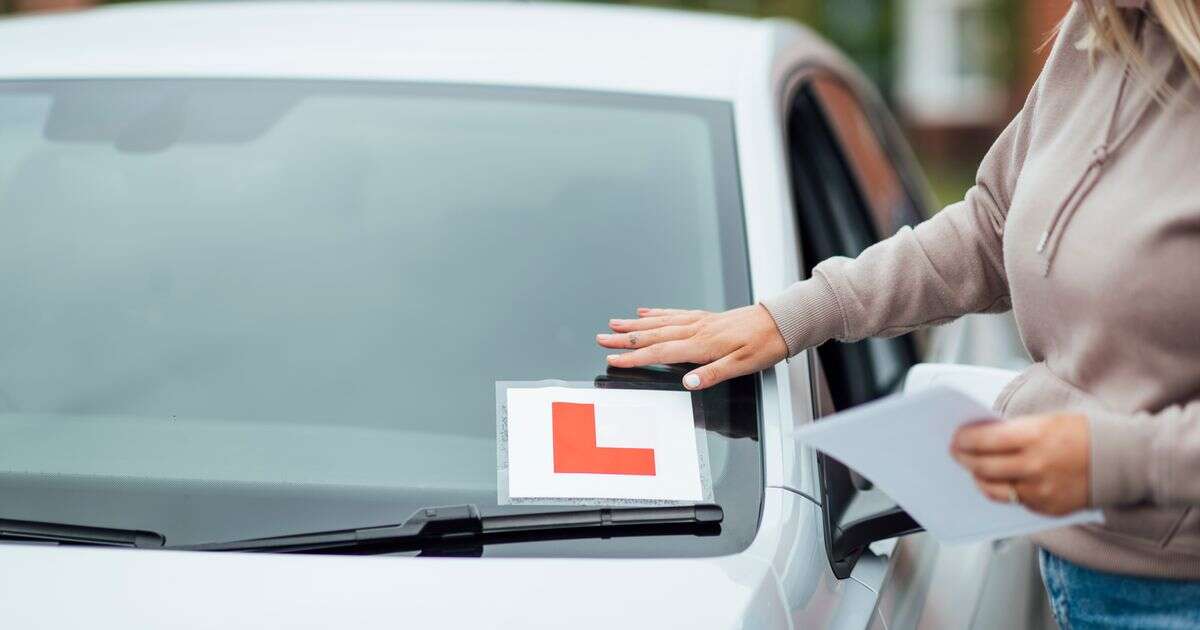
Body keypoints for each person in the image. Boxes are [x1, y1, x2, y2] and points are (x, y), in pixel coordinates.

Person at [596, 0, 1200, 626]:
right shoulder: (1101, 28)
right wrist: (791, 316)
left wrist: (1120, 460)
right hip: (1079, 569)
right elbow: (993, 227)